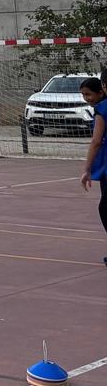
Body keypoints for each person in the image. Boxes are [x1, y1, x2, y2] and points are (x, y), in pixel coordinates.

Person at [79, 76, 106, 265]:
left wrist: (86, 168)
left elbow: (96, 141)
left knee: (105, 209)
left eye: (88, 94)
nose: (86, 98)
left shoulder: (102, 109)